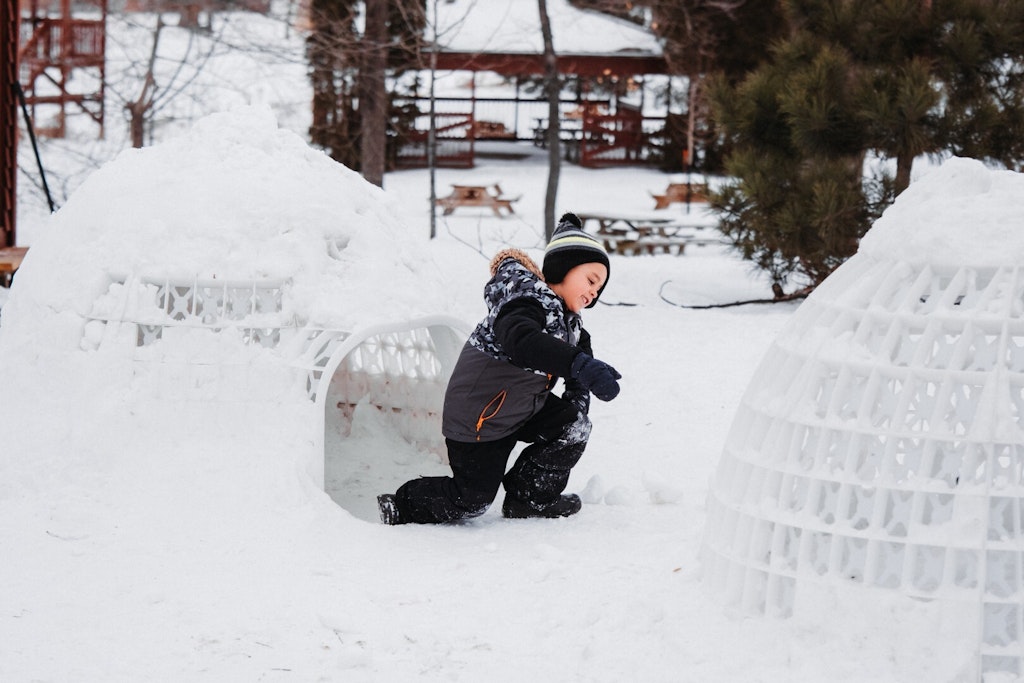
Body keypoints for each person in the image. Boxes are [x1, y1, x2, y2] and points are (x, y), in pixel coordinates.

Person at [377, 212, 621, 524]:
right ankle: (403, 505)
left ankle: (529, 499)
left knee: (575, 427)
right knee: (471, 501)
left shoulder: (572, 326)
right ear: (564, 267)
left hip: (522, 408)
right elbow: (522, 341)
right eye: (590, 280)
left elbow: (578, 378)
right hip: (479, 419)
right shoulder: (523, 302)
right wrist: (579, 364)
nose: (593, 294)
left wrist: (577, 402)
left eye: (598, 290)